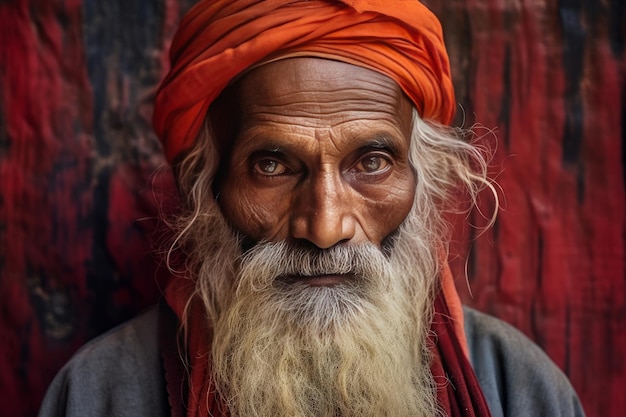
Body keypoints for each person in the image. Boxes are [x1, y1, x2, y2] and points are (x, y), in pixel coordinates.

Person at [38, 1, 586, 416]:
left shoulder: (521, 389)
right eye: (272, 166)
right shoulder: (98, 394)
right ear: (206, 188)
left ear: (422, 181)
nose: (325, 227)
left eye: (370, 163)